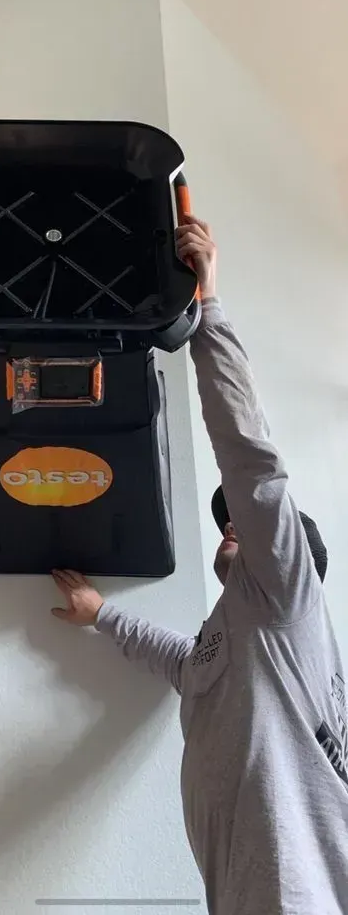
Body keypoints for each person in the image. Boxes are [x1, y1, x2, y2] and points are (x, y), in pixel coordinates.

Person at [51, 216, 348, 915]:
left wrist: (208, 307)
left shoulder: (285, 594)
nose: (230, 525)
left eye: (238, 523)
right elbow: (183, 666)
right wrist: (103, 616)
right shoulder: (237, 641)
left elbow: (250, 457)